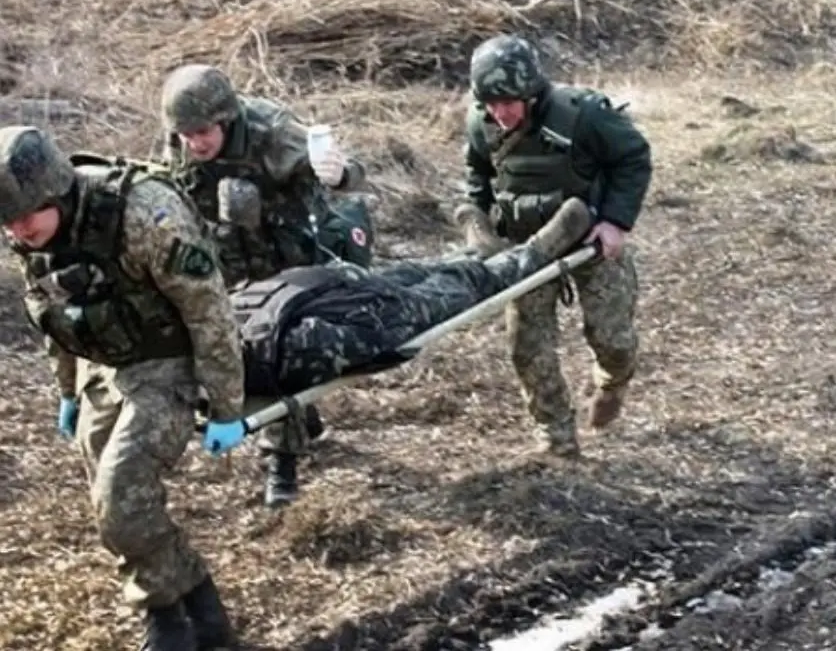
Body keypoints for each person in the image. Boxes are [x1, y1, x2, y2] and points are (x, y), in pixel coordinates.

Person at [0, 125, 241, 650]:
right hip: (103, 367)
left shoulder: (142, 212)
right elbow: (51, 313)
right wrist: (67, 390)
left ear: (54, 190)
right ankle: (202, 610)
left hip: (168, 360)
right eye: (7, 222)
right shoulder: (28, 230)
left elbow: (208, 308)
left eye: (24, 216)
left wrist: (225, 404)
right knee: (114, 508)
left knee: (121, 501)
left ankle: (164, 620)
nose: (17, 230)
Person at [200, 192, 596, 456]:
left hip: (347, 300)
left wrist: (392, 332)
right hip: (339, 291)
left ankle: (507, 252)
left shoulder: (262, 355)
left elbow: (355, 339)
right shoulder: (219, 324)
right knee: (449, 278)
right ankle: (507, 251)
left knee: (452, 282)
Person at [159, 62, 372, 506]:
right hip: (229, 256)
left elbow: (349, 174)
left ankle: (282, 460)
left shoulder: (272, 133)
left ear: (226, 119)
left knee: (274, 346)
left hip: (287, 250)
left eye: (205, 132)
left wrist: (338, 172)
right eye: (187, 134)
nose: (196, 143)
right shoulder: (178, 140)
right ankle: (301, 418)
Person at [458, 34, 653, 458]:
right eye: (489, 103)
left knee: (613, 340)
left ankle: (611, 382)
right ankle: (556, 434)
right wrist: (479, 224)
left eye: (507, 102)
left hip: (591, 242)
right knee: (528, 348)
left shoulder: (582, 116)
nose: (499, 113)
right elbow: (477, 176)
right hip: (526, 250)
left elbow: (633, 157)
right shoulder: (483, 123)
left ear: (530, 91)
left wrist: (616, 222)